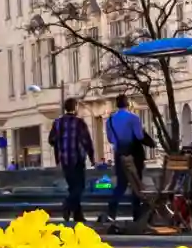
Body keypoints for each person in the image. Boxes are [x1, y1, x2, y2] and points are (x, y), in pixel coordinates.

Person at [51, 97, 95, 225]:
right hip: (77, 159)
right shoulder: (79, 122)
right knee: (79, 187)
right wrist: (91, 157)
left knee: (73, 187)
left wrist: (59, 146)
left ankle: (78, 215)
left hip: (64, 159)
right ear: (75, 107)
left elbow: (51, 140)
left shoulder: (57, 123)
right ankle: (68, 204)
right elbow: (87, 141)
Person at [104, 93, 147, 223]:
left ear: (116, 105)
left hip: (119, 154)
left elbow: (110, 139)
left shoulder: (110, 120)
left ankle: (112, 211)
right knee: (136, 184)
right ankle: (137, 214)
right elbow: (139, 136)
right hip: (133, 154)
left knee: (121, 185)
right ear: (128, 104)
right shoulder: (133, 118)